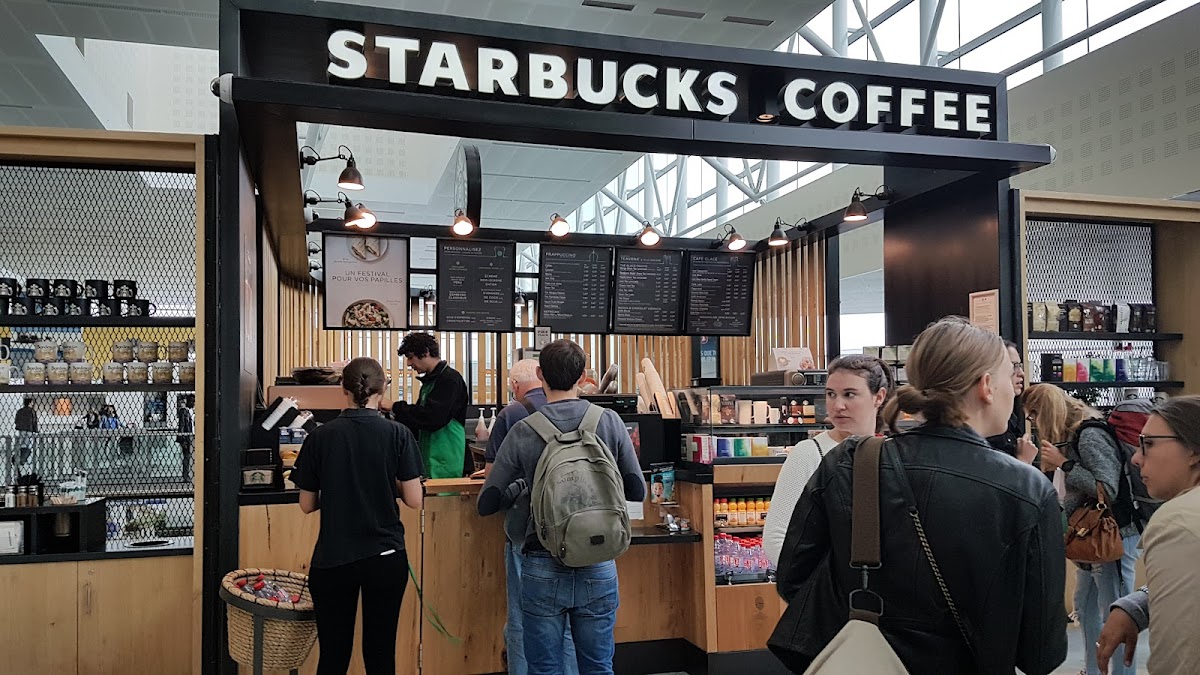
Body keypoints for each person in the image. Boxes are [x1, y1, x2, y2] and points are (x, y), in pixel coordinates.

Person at [771, 317, 1066, 674]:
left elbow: (794, 581)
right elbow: (1041, 653)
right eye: (1009, 376)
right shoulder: (1028, 491)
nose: (1014, 390)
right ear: (987, 386)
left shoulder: (851, 464)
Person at [478, 339, 645, 675]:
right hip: (599, 560)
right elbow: (637, 490)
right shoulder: (609, 421)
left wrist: (525, 485)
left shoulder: (524, 429)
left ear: (540, 374)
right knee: (598, 666)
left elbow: (487, 503)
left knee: (545, 668)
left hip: (542, 563)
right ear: (583, 376)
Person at [291, 357, 424, 675]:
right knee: (380, 655)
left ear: (343, 389)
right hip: (386, 557)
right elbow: (415, 500)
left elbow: (307, 504)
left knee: (333, 656)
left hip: (333, 558)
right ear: (383, 389)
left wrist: (337, 488)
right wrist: (383, 483)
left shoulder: (320, 436)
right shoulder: (398, 434)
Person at [1024, 383, 1142, 675]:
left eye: (1033, 416)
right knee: (1086, 605)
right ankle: (1094, 669)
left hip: (1112, 536)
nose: (1034, 424)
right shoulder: (1073, 436)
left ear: (1045, 413)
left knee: (1116, 612)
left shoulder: (1088, 436)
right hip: (1090, 537)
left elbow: (1107, 488)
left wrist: (1064, 464)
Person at [478, 358, 578, 675]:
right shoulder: (590, 415)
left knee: (524, 617)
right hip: (580, 533)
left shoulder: (513, 414)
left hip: (529, 534)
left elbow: (493, 486)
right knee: (571, 622)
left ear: (518, 384)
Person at [1097, 395, 1200, 674]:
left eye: (1149, 444)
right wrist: (1140, 604)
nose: (1137, 457)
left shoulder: (1177, 521)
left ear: (1194, 451)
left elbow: (1179, 658)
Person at [763, 354, 894, 567]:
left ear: (878, 397)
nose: (838, 405)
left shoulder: (891, 452)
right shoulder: (809, 453)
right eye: (831, 394)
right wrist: (818, 586)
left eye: (849, 394)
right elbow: (776, 538)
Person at [386, 332, 469, 479]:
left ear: (426, 352)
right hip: (430, 454)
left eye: (410, 357)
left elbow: (432, 417)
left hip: (447, 457)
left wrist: (396, 407)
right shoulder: (430, 382)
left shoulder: (449, 380)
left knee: (445, 499)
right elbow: (418, 420)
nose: (408, 363)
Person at [988, 340, 1040, 464]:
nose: (1021, 373)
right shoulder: (990, 423)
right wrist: (1023, 462)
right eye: (1013, 366)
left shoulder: (1010, 419)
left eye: (1020, 366)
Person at [176, 395, 195, 482]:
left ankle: (188, 475)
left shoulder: (191, 412)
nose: (193, 403)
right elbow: (182, 425)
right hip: (187, 437)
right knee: (187, 456)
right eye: (191, 401)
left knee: (189, 456)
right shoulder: (184, 412)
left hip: (191, 436)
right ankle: (186, 476)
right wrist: (182, 439)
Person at [14, 397, 37, 465]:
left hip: (21, 429)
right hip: (29, 429)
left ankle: (18, 457)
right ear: (30, 403)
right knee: (28, 445)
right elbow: (34, 421)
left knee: (22, 444)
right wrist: (35, 430)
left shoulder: (20, 411)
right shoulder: (32, 411)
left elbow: (16, 420)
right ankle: (23, 459)